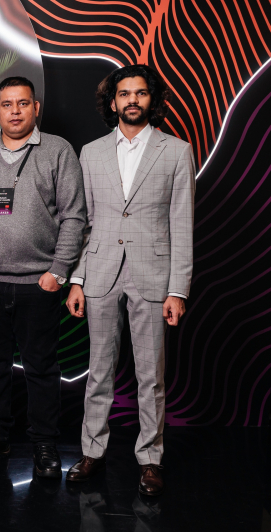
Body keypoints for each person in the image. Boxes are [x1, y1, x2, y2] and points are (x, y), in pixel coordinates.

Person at [65, 65, 195, 496]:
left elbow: (182, 224)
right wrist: (77, 279)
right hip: (100, 272)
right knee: (98, 370)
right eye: (124, 93)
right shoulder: (91, 152)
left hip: (153, 276)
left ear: (151, 100)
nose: (132, 100)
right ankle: (92, 452)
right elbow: (83, 223)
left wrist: (178, 289)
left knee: (151, 376)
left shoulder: (177, 151)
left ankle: (151, 459)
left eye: (140, 93)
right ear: (113, 101)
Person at [0, 76, 86, 476]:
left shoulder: (58, 151)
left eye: (22, 103)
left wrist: (58, 272)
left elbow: (74, 215)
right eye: (7, 104)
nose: (15, 111)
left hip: (38, 283)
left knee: (41, 368)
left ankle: (44, 444)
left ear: (35, 108)